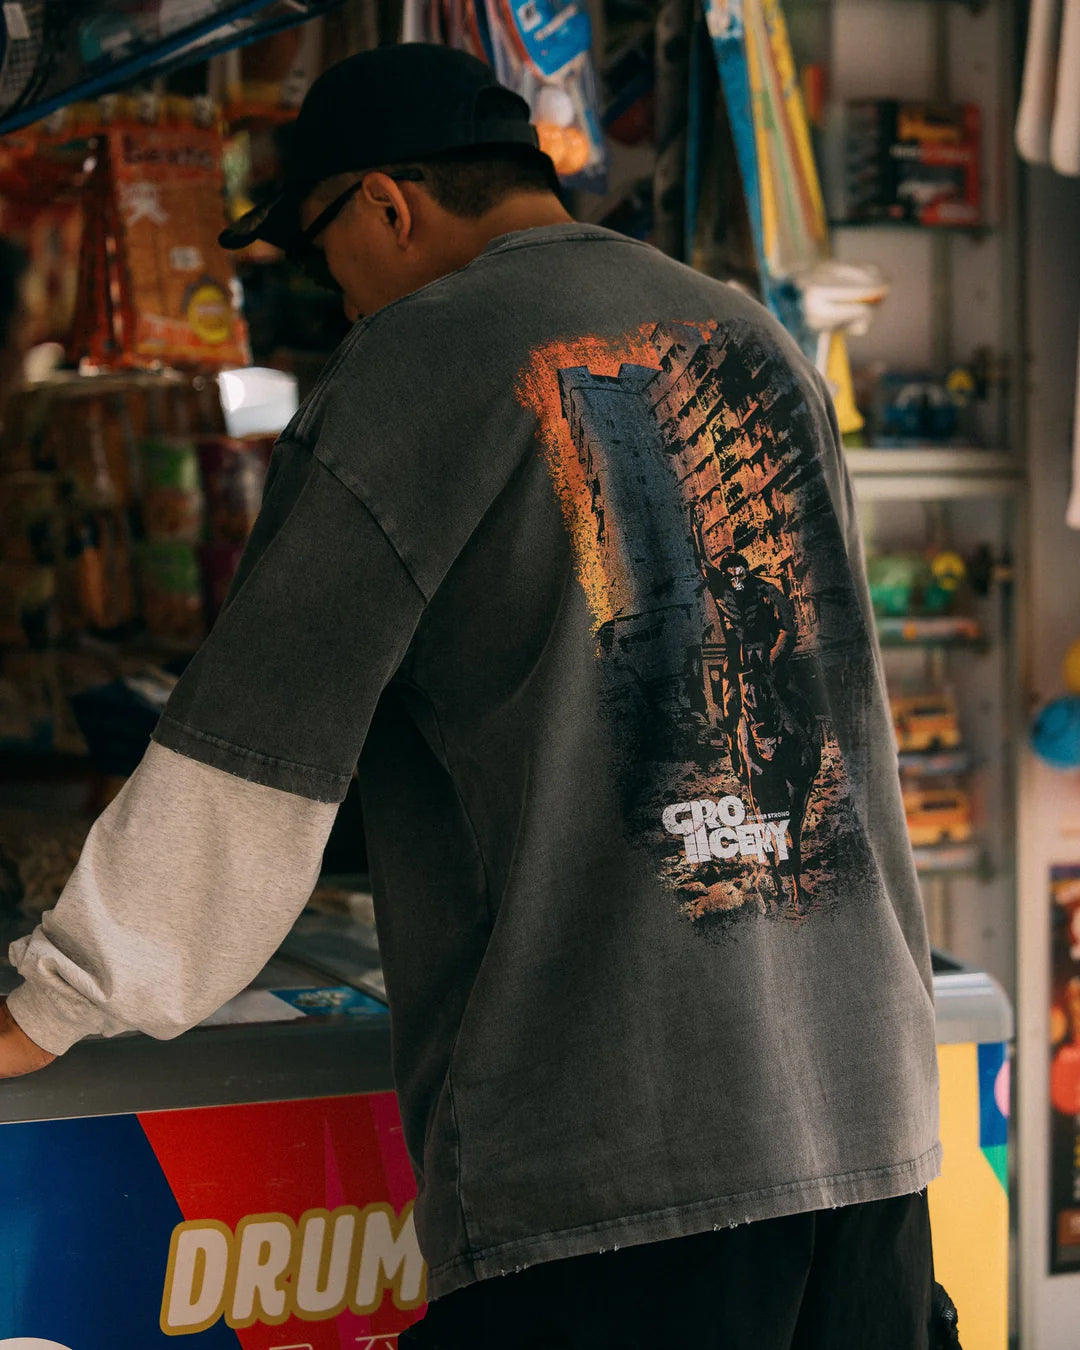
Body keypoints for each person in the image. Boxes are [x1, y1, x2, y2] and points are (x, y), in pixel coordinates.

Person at [0, 44, 948, 1349]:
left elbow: (252, 767)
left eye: (322, 248)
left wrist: (49, 1005)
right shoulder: (752, 340)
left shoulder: (419, 362)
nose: (333, 297)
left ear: (388, 203)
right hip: (867, 1139)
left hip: (617, 1173)